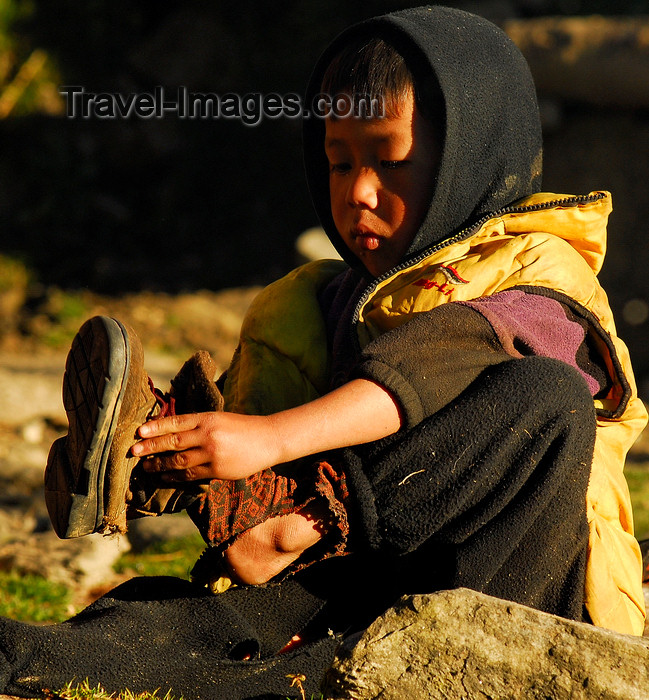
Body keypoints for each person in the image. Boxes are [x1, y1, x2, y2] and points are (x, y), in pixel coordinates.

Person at [1, 5, 646, 699]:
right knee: (153, 627)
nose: (358, 192)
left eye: (389, 162)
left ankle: (297, 525)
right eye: (339, 163)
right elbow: (250, 499)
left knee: (542, 400)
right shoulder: (324, 302)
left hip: (503, 598)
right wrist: (197, 458)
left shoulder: (540, 277)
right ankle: (157, 471)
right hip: (350, 592)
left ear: (470, 158)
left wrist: (272, 443)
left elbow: (453, 354)